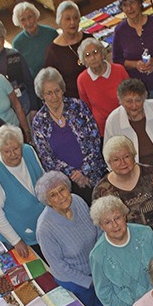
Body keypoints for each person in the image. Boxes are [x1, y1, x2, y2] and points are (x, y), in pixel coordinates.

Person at [35, 172, 109, 306]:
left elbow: (97, 228)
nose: (61, 197)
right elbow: (59, 267)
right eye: (53, 195)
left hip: (96, 268)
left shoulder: (77, 200)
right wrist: (89, 281)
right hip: (75, 282)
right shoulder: (45, 228)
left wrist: (102, 261)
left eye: (62, 190)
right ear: (48, 202)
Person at [89, 196, 153, 306]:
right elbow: (104, 292)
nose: (115, 225)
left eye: (117, 218)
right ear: (101, 226)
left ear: (125, 216)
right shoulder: (97, 254)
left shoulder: (146, 234)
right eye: (107, 222)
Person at [31, 67, 106, 204]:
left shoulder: (78, 107)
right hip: (66, 185)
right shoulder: (39, 121)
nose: (54, 96)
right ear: (42, 95)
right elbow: (47, 158)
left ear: (62, 89)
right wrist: (74, 175)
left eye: (57, 91)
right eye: (49, 93)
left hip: (94, 174)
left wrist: (85, 171)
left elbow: (94, 138)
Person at [92, 135, 153, 245]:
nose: (122, 162)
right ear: (109, 163)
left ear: (134, 156)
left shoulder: (152, 173)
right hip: (128, 245)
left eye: (126, 156)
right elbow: (102, 225)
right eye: (116, 159)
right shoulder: (102, 191)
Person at [0, 125, 44, 257]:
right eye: (7, 151)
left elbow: (43, 177)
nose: (13, 154)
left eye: (16, 148)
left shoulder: (28, 151)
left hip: (45, 223)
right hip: (24, 235)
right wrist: (16, 241)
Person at [103, 78, 153, 166]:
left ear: (144, 98)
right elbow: (108, 155)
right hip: (133, 174)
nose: (134, 105)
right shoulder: (113, 121)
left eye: (138, 100)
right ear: (120, 101)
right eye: (129, 101)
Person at [0, 18, 36, 115]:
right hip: (1, 110)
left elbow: (29, 81)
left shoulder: (15, 55)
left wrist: (34, 108)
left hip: (24, 104)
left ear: (4, 37)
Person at [76, 37, 128, 135]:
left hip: (125, 120)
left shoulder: (119, 70)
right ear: (84, 61)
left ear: (103, 53)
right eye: (87, 55)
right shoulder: (82, 80)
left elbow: (130, 95)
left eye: (95, 52)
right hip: (103, 128)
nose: (93, 58)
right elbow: (87, 107)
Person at [44, 0, 86, 98]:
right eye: (67, 19)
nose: (73, 22)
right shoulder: (53, 51)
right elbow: (51, 81)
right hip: (73, 97)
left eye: (75, 18)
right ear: (59, 22)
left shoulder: (88, 39)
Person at [11, 2, 57, 79]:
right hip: (35, 79)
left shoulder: (51, 33)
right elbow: (20, 70)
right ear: (19, 23)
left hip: (55, 74)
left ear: (36, 16)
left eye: (30, 17)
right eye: (23, 20)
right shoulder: (17, 43)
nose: (28, 22)